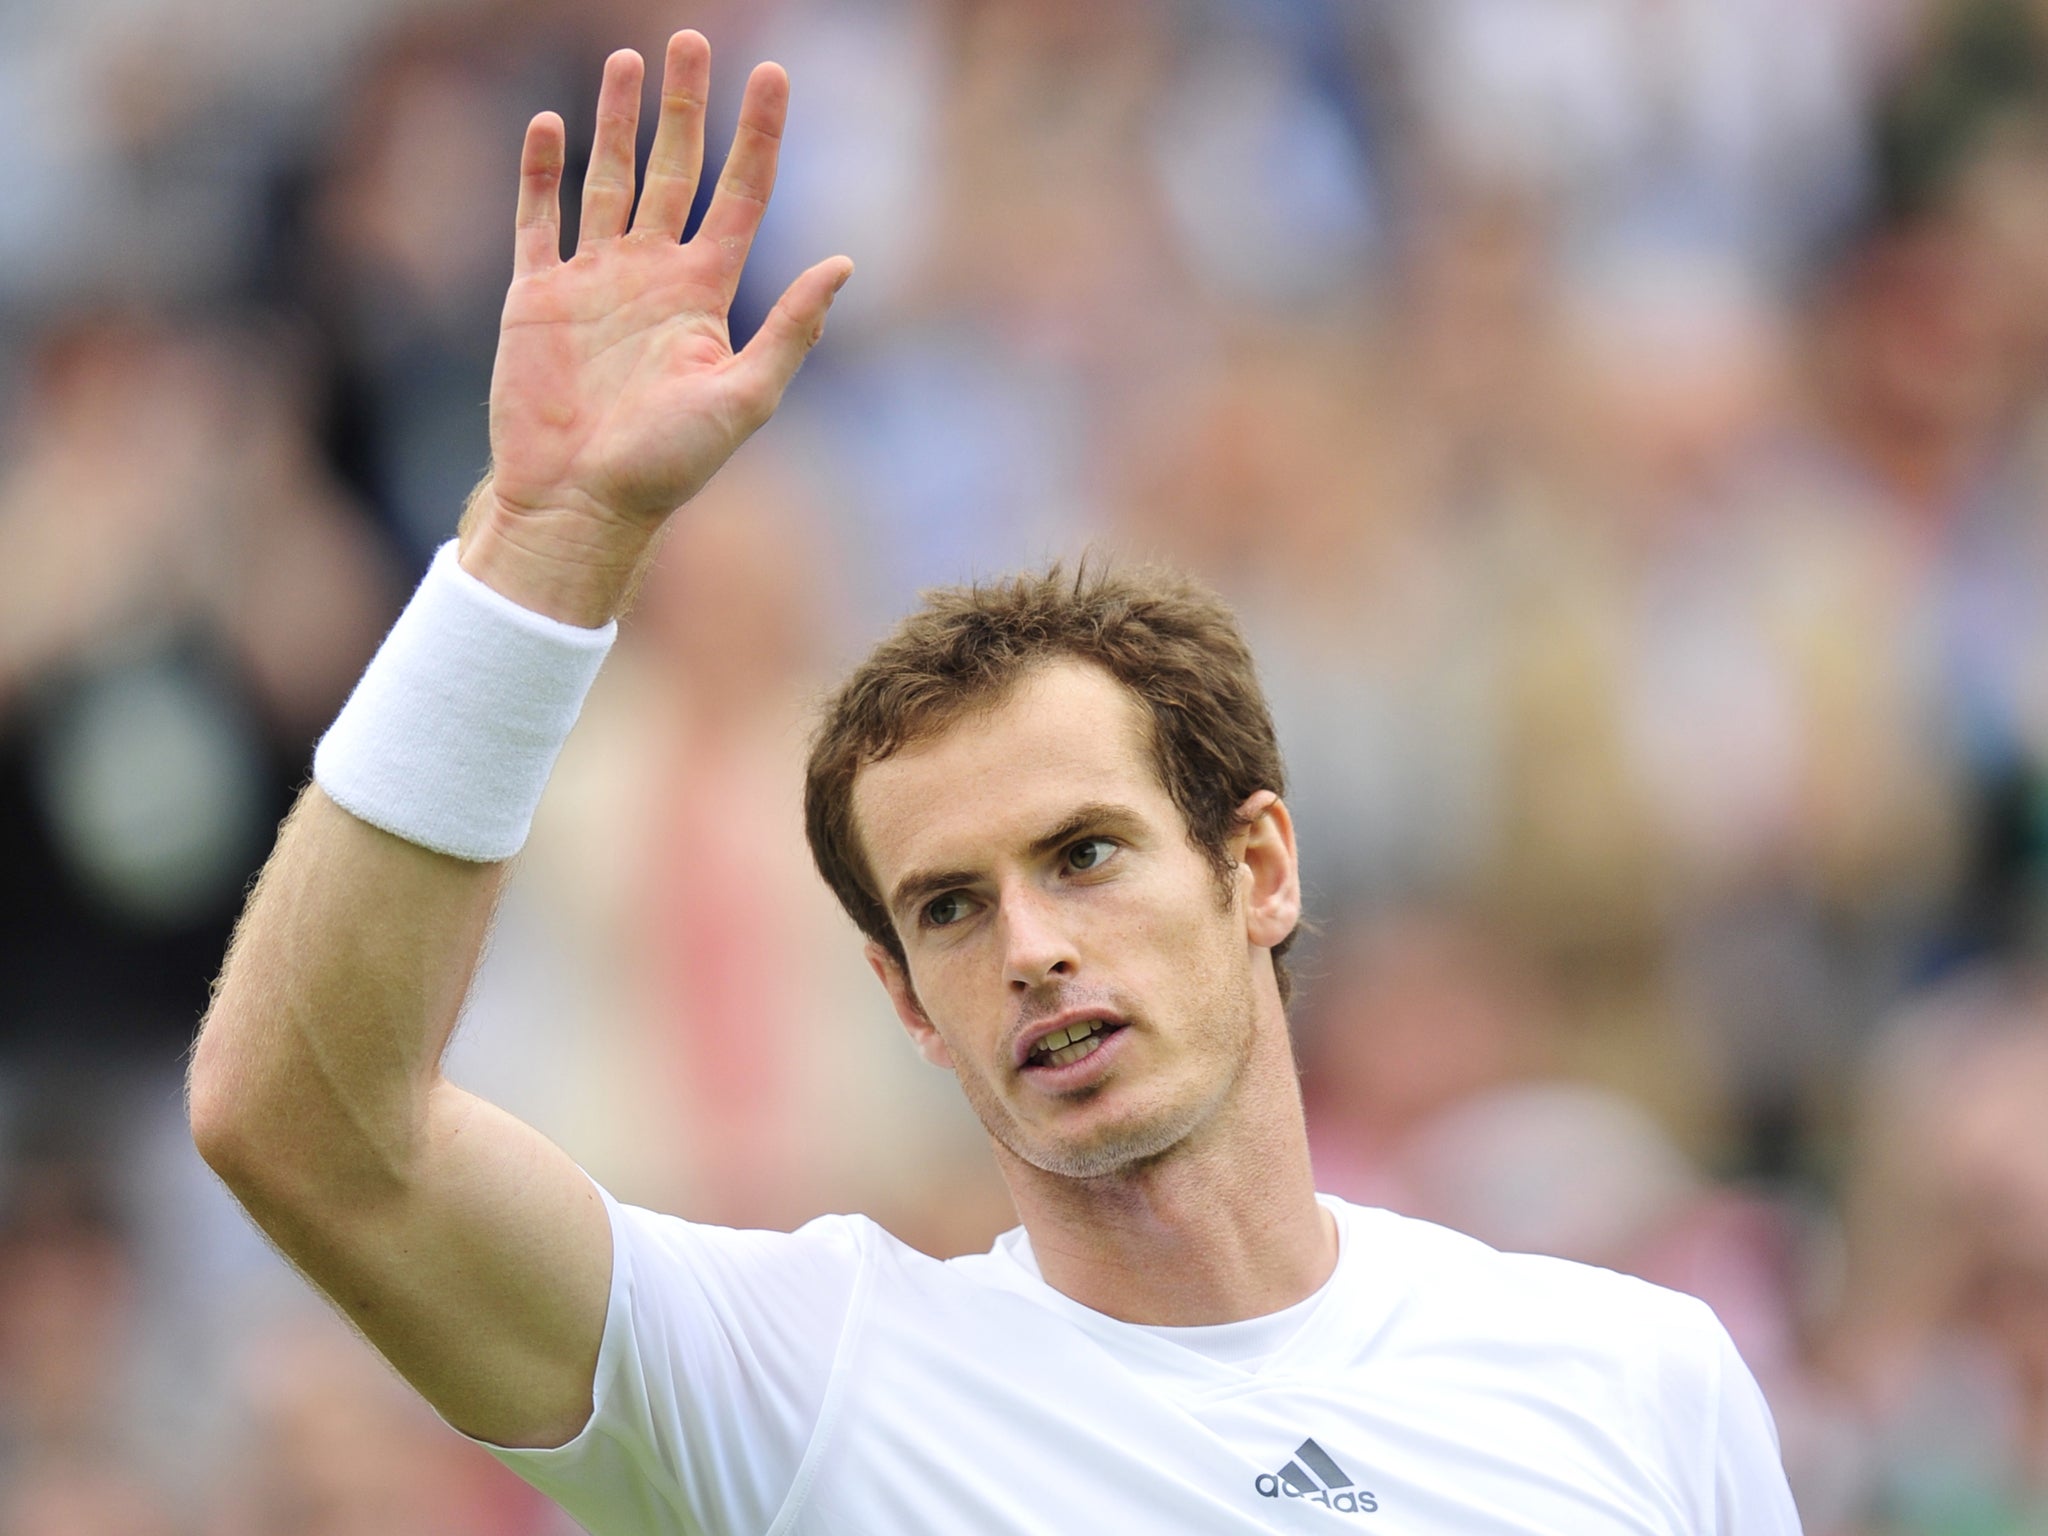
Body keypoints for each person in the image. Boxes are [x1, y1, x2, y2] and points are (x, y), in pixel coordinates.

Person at [189, 33, 1803, 1534]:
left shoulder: (1637, 1377)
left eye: (1086, 853)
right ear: (904, 999)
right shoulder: (803, 1387)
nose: (1028, 942)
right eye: (950, 907)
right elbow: (309, 1127)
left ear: (1259, 871)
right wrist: (548, 544)